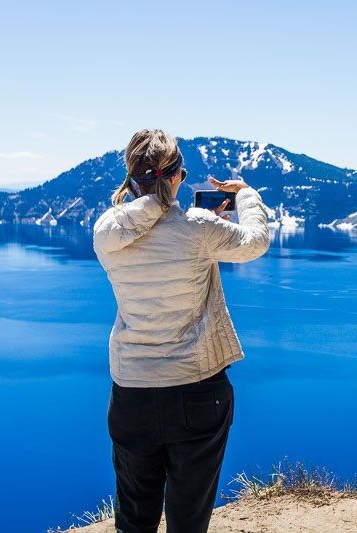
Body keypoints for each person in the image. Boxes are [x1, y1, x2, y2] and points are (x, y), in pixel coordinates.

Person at [92, 128, 270, 532]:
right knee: (188, 520)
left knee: (134, 519)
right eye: (182, 172)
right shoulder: (199, 228)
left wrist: (198, 226)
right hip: (196, 391)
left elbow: (153, 231)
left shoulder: (107, 233)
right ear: (174, 176)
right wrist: (245, 195)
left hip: (132, 394)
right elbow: (256, 241)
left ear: (133, 176)